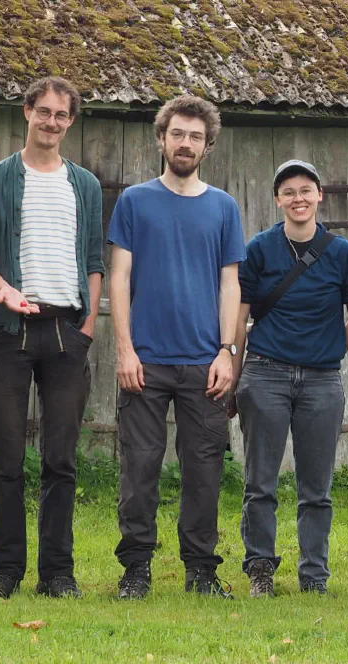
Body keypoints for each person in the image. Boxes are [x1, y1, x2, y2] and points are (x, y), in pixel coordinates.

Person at [0, 76, 105, 600]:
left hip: (67, 333)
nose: (51, 122)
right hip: (7, 333)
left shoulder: (84, 185)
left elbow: (93, 260)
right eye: (43, 112)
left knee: (61, 460)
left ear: (71, 121)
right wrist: (2, 288)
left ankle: (57, 574)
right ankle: (3, 571)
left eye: (61, 115)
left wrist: (87, 326)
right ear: (27, 113)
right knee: (6, 461)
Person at [109, 94, 247, 600]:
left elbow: (231, 284)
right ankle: (136, 569)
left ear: (206, 145)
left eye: (195, 136)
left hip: (204, 363)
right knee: (140, 468)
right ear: (161, 138)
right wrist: (124, 349)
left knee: (204, 470)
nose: (185, 143)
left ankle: (202, 572)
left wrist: (227, 352)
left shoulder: (223, 207)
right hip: (144, 361)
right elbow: (119, 278)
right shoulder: (134, 201)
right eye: (177, 134)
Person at [235, 158, 348, 597]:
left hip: (321, 381)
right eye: (289, 191)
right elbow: (239, 314)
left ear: (319, 197)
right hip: (266, 373)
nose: (298, 198)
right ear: (278, 199)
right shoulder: (259, 248)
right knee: (261, 483)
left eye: (305, 190)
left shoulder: (341, 252)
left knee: (317, 487)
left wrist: (333, 349)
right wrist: (235, 369)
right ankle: (260, 570)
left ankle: (314, 575)